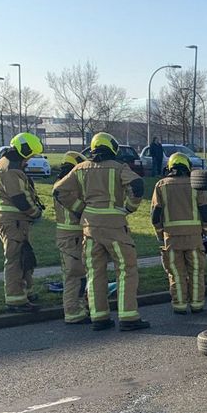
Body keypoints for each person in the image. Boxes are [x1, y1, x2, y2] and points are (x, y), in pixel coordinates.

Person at [54, 132, 150, 331]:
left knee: (94, 272)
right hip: (115, 226)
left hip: (89, 228)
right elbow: (137, 184)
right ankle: (128, 317)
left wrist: (80, 208)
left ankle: (99, 317)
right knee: (126, 270)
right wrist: (130, 207)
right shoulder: (118, 167)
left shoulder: (80, 169)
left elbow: (59, 191)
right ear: (112, 147)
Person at [152, 153, 207, 314]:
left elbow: (155, 215)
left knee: (176, 274)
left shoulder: (161, 185)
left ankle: (179, 305)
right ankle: (197, 304)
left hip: (171, 239)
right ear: (187, 167)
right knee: (196, 273)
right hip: (194, 238)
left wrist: (160, 234)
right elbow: (206, 211)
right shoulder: (195, 185)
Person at [0, 132, 45, 312]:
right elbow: (20, 198)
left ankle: (25, 292)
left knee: (24, 255)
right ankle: (15, 300)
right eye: (29, 156)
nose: (29, 161)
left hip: (13, 220)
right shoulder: (11, 169)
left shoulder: (5, 163)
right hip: (13, 220)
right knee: (16, 259)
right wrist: (35, 213)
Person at [54, 151, 89, 324]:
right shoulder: (70, 187)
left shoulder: (60, 183)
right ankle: (74, 312)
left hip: (66, 236)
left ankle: (79, 308)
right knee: (76, 276)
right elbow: (78, 208)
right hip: (73, 235)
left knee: (73, 274)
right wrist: (83, 210)